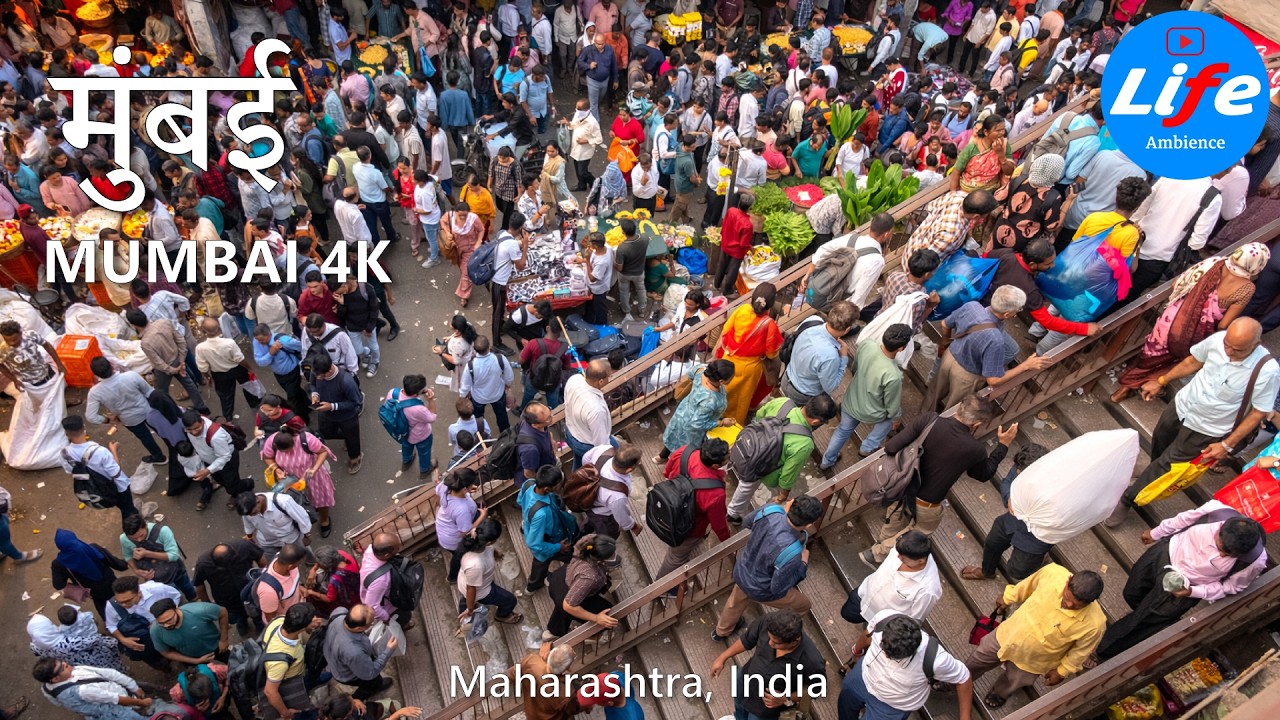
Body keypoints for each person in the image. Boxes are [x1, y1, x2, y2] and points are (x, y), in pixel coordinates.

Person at [1108, 318, 1279, 525]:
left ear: (1256, 344)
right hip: (1182, 406)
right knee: (1161, 440)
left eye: (1238, 350)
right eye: (1227, 345)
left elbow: (1258, 412)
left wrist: (1226, 444)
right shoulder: (1218, 341)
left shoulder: (1267, 370)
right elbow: (1193, 361)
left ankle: (1128, 499)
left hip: (1207, 427)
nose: (1229, 352)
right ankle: (1151, 470)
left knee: (1169, 465)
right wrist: (1162, 381)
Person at [1098, 500, 1266, 660]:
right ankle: (1146, 615)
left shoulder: (1255, 561)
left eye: (1229, 555)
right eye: (1221, 548)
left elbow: (1229, 587)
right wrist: (1156, 532)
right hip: (1166, 554)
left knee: (1140, 623)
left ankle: (1103, 650)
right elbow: (1182, 520)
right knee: (1132, 592)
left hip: (1186, 586)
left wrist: (1193, 592)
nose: (1221, 555)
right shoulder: (1215, 511)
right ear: (1220, 528)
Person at [863, 396, 1016, 565]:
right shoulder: (975, 449)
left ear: (959, 408)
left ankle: (882, 540)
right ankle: (877, 553)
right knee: (920, 531)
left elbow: (891, 447)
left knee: (895, 513)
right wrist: (1002, 446)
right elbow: (983, 474)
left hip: (903, 484)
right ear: (977, 424)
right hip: (927, 501)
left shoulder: (929, 420)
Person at [1112, 245, 1268, 402]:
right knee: (1173, 361)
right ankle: (1139, 386)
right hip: (1194, 335)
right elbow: (1223, 325)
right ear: (1257, 266)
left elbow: (1177, 284)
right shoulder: (1247, 288)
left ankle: (1124, 388)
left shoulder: (1214, 263)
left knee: (1150, 355)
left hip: (1172, 320)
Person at [967, 565, 1106, 708]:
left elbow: (1080, 652)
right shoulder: (1053, 573)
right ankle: (956, 680)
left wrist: (1061, 671)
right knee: (978, 660)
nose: (1069, 604)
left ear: (1090, 602)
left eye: (1076, 605)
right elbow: (1027, 585)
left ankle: (999, 693)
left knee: (1014, 680)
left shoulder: (1095, 624)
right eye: (1067, 597)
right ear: (1068, 581)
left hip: (1034, 661)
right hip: (1008, 635)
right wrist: (1008, 597)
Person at [713, 496, 822, 641]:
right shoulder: (792, 553)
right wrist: (803, 564)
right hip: (761, 589)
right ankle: (779, 632)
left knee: (735, 602)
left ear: (790, 504)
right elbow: (777, 588)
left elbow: (746, 522)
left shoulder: (769, 510)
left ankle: (721, 632)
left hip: (743, 570)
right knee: (803, 606)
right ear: (809, 524)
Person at [838, 613, 974, 720]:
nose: (885, 655)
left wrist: (965, 717)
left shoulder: (936, 660)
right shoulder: (884, 618)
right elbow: (868, 634)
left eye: (892, 656)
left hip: (892, 705)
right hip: (864, 675)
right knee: (845, 704)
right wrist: (857, 651)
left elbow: (963, 678)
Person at [930, 288, 1050, 411]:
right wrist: (1025, 366)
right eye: (1018, 310)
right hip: (966, 375)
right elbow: (993, 380)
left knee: (932, 396)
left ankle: (923, 416)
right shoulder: (996, 340)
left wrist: (945, 343)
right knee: (952, 410)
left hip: (949, 356)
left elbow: (945, 324)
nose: (1017, 313)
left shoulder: (972, 306)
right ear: (1007, 314)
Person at [727, 396, 838, 521]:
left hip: (743, 444)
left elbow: (759, 414)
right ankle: (732, 513)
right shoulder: (804, 443)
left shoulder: (784, 402)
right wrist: (782, 495)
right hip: (756, 467)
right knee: (745, 488)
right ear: (816, 422)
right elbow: (788, 474)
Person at [822, 325, 913, 470]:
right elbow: (892, 405)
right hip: (871, 413)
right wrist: (896, 418)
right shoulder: (893, 375)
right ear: (901, 348)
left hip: (851, 401)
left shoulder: (868, 344)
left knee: (841, 431)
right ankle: (868, 447)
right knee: (892, 417)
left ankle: (827, 461)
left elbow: (854, 368)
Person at [710, 609, 827, 720]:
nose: (770, 643)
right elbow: (747, 639)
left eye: (776, 643)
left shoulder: (812, 661)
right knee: (739, 705)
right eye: (769, 638)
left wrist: (786, 699)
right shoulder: (769, 622)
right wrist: (723, 657)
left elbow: (816, 688)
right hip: (746, 678)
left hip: (767, 705)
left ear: (793, 642)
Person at [717, 283, 785, 425]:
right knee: (740, 400)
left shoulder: (742, 309)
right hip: (749, 368)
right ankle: (731, 426)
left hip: (728, 358)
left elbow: (726, 330)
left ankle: (714, 416)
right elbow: (771, 354)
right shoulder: (769, 324)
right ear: (771, 305)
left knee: (721, 390)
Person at [84, 358, 166, 466]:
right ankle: (177, 447)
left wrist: (107, 420)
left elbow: (90, 416)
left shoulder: (95, 392)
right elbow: (149, 392)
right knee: (162, 430)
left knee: (145, 437)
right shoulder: (131, 376)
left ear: (95, 374)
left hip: (129, 420)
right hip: (147, 410)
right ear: (112, 366)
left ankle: (159, 457)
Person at [263, 426, 339, 538]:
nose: (286, 453)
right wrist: (277, 469)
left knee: (321, 501)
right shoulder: (272, 441)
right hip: (289, 480)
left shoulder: (306, 439)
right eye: (282, 452)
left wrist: (314, 469)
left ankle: (324, 519)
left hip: (313, 477)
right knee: (295, 503)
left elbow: (322, 452)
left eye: (288, 450)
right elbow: (267, 457)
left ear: (294, 442)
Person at [990, 155, 1075, 253]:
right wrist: (1069, 200)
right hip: (1022, 243)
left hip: (1000, 230)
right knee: (1006, 263)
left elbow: (998, 196)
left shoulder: (1020, 180)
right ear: (1056, 175)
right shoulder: (1053, 197)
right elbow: (1052, 226)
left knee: (990, 256)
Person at [59, 416, 137, 520]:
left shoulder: (64, 453)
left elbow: (70, 471)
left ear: (66, 433)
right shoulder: (100, 451)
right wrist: (113, 450)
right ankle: (132, 528)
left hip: (97, 490)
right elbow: (116, 473)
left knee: (120, 504)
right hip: (117, 487)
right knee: (128, 511)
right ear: (84, 428)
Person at [658, 360, 735, 462]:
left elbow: (690, 374)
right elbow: (697, 423)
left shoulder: (701, 369)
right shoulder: (710, 400)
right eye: (731, 377)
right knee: (685, 451)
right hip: (692, 429)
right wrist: (721, 422)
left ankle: (662, 457)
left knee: (673, 436)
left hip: (683, 412)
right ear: (721, 381)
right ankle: (676, 466)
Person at [781, 302, 856, 405]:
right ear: (847, 329)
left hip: (786, 378)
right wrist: (843, 359)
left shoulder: (812, 324)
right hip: (802, 394)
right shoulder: (830, 357)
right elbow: (830, 387)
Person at [518, 464, 578, 592]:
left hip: (531, 527)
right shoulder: (541, 514)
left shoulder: (529, 483)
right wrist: (558, 547)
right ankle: (533, 586)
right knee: (544, 562)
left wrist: (527, 519)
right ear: (547, 488)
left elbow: (520, 501)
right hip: (549, 541)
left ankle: (533, 586)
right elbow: (534, 543)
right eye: (557, 484)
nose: (560, 485)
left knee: (539, 565)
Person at [547, 534, 619, 638]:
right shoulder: (589, 577)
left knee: (563, 608)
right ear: (599, 560)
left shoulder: (589, 542)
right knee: (609, 613)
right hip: (565, 594)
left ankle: (554, 631)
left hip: (562, 577)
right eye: (610, 556)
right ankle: (594, 634)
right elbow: (568, 605)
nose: (615, 556)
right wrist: (596, 618)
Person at [33, 658, 152, 719]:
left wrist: (132, 685)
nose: (66, 664)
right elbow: (116, 699)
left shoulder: (46, 687)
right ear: (55, 679)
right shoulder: (83, 690)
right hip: (115, 711)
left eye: (62, 662)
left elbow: (108, 673)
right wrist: (141, 702)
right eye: (62, 667)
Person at [457, 518, 524, 626]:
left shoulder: (475, 539)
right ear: (490, 541)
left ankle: (466, 602)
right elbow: (471, 588)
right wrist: (469, 610)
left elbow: (491, 549)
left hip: (471, 580)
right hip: (480, 591)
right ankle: (501, 616)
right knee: (510, 601)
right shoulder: (476, 564)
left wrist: (497, 555)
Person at [323, 604, 398, 700]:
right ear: (359, 628)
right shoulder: (353, 652)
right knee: (372, 683)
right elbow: (369, 672)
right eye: (371, 623)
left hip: (332, 657)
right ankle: (355, 700)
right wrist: (389, 650)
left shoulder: (339, 611)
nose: (372, 623)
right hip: (346, 674)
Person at [261, 603, 323, 720]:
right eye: (312, 619)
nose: (315, 619)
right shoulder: (279, 663)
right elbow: (270, 691)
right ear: (301, 628)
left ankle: (311, 682)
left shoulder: (279, 620)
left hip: (295, 669)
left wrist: (308, 626)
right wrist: (285, 713)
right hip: (290, 680)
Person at [193, 540, 267, 637]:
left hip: (251, 594)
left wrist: (266, 578)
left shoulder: (244, 546)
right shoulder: (203, 564)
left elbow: (261, 558)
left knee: (258, 615)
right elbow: (199, 584)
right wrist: (208, 605)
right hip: (229, 602)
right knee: (239, 618)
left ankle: (262, 631)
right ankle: (242, 625)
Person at [181, 409, 251, 510]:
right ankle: (235, 489)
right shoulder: (191, 428)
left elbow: (225, 456)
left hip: (227, 461)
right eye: (189, 430)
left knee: (231, 486)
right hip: (211, 462)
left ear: (202, 421)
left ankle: (248, 484)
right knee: (221, 481)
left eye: (196, 428)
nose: (193, 432)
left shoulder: (216, 436)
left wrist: (207, 471)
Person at [50, 529, 128, 619]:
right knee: (122, 597)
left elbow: (58, 584)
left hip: (93, 590)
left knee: (103, 607)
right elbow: (115, 563)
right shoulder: (92, 548)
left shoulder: (59, 563)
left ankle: (110, 624)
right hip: (110, 581)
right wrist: (128, 563)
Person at [106, 575, 181, 665]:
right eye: (119, 601)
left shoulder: (158, 589)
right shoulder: (111, 606)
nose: (124, 605)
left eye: (128, 601)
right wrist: (123, 640)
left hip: (167, 629)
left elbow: (176, 596)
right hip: (145, 640)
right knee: (156, 661)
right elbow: (111, 625)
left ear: (139, 593)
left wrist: (169, 616)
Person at [309, 354, 365, 475]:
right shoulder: (316, 372)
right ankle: (347, 437)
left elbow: (355, 403)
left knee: (352, 438)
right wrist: (315, 394)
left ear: (329, 370)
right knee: (326, 433)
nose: (318, 378)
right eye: (316, 375)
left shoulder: (346, 381)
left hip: (346, 416)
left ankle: (355, 457)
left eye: (322, 376)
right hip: (325, 413)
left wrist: (332, 406)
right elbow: (313, 384)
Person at [194, 317, 259, 420]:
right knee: (248, 386)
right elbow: (240, 359)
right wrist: (249, 368)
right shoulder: (229, 343)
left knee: (226, 396)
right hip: (237, 369)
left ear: (203, 330)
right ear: (219, 327)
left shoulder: (200, 348)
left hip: (219, 374)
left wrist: (208, 378)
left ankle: (228, 417)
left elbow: (203, 367)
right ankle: (255, 403)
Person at [119, 514, 196, 601]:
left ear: (145, 525)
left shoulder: (163, 531)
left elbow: (174, 555)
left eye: (141, 535)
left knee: (186, 587)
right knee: (166, 597)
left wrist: (147, 553)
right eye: (134, 539)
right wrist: (136, 570)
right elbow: (128, 556)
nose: (139, 540)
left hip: (176, 571)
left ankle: (193, 599)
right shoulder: (124, 539)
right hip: (153, 579)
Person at [28, 605, 123, 672]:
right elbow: (97, 640)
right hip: (98, 661)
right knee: (113, 672)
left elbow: (36, 652)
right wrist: (114, 641)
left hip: (78, 669)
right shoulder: (70, 642)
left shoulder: (37, 647)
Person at [580, 444, 643, 538]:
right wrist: (634, 527)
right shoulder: (617, 496)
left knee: (589, 521)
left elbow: (586, 458)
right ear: (629, 470)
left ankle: (580, 532)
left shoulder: (604, 450)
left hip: (588, 500)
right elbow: (622, 517)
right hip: (602, 515)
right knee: (607, 536)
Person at [436, 468, 486, 584]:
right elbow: (465, 532)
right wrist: (482, 516)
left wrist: (467, 492)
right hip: (453, 538)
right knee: (458, 556)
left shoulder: (446, 486)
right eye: (470, 484)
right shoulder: (461, 510)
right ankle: (452, 577)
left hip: (445, 526)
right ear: (463, 489)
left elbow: (437, 488)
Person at [489, 213, 531, 351]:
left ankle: (501, 327)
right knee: (497, 312)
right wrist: (524, 246)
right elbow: (520, 266)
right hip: (498, 283)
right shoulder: (512, 244)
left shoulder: (502, 234)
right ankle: (496, 343)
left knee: (499, 310)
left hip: (495, 278)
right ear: (520, 228)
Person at [149, 598, 229, 667]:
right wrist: (196, 661)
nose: (166, 626)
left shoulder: (199, 611)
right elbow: (166, 652)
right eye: (161, 623)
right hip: (191, 659)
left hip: (217, 647)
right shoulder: (155, 631)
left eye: (169, 620)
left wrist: (224, 640)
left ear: (176, 609)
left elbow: (222, 612)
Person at [564, 359, 614, 467]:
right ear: (600, 381)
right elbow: (601, 445)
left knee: (578, 462)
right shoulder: (596, 409)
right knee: (615, 450)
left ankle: (575, 479)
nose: (610, 379)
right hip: (585, 444)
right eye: (609, 377)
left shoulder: (574, 379)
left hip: (570, 432)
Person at [235, 489, 313, 558]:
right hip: (267, 541)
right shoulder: (247, 510)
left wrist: (307, 536)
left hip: (291, 538)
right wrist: (249, 537)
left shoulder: (283, 501)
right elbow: (248, 524)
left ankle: (311, 561)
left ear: (258, 501)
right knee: (269, 560)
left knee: (302, 552)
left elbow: (302, 518)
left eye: (254, 513)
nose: (251, 516)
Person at [360, 533, 412, 626]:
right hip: (390, 608)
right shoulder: (381, 580)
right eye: (396, 550)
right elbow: (372, 606)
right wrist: (386, 618)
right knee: (404, 617)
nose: (398, 552)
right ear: (387, 555)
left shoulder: (370, 549)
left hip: (373, 591)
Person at [950, 116, 1011, 193]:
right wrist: (953, 194)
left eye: (1003, 130)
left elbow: (1009, 172)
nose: (1002, 133)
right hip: (967, 192)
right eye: (998, 130)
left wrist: (1001, 155)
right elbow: (956, 172)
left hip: (991, 192)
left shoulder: (1004, 145)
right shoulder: (971, 147)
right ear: (986, 132)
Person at [716, 192, 755, 298]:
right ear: (750, 207)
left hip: (726, 243)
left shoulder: (731, 211)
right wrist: (750, 248)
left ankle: (717, 284)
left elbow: (724, 224)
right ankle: (727, 291)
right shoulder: (748, 225)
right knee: (732, 271)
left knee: (721, 265)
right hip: (736, 251)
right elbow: (743, 244)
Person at [514, 403, 558, 483]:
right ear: (535, 425)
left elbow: (545, 429)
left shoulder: (529, 418)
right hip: (542, 476)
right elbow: (529, 474)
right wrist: (545, 484)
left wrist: (550, 440)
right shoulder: (530, 449)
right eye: (548, 418)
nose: (552, 418)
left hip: (548, 463)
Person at [578, 232, 615, 324]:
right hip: (594, 286)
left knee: (600, 309)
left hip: (599, 288)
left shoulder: (602, 262)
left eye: (590, 243)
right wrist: (582, 260)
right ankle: (589, 319)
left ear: (596, 246)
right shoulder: (606, 246)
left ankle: (602, 325)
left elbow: (592, 278)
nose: (588, 245)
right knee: (590, 304)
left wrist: (586, 260)